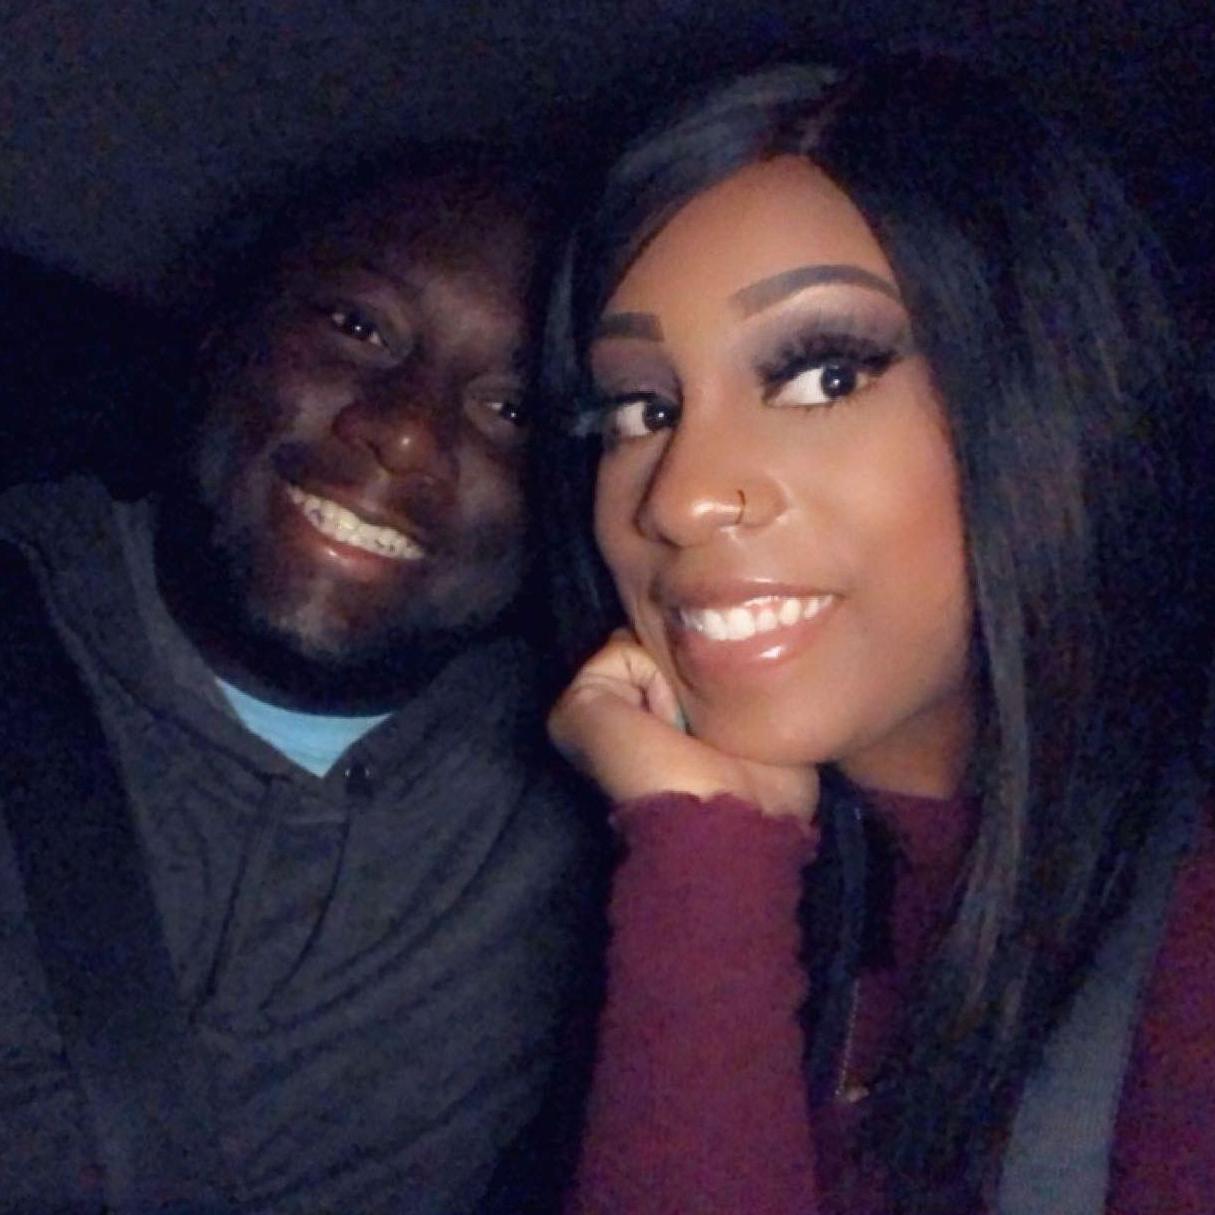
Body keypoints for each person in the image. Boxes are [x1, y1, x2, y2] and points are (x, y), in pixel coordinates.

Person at [538, 56, 1212, 1215]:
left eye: (824, 377)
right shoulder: (755, 880)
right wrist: (708, 846)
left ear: (1048, 397)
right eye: (642, 409)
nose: (680, 498)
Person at [0, 152, 604, 1213]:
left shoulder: (594, 796)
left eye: (514, 409)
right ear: (224, 330)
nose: (406, 432)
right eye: (358, 327)